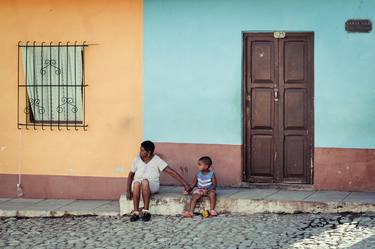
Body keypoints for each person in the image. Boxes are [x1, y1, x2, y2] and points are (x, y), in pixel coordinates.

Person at [126, 140, 191, 222]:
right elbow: (130, 175)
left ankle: (146, 211)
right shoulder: (137, 159)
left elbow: (170, 171)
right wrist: (128, 190)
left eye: (142, 150)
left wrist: (185, 184)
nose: (140, 152)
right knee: (136, 183)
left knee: (145, 181)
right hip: (137, 185)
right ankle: (135, 212)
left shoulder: (156, 160)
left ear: (149, 152)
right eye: (140, 150)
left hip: (152, 185)